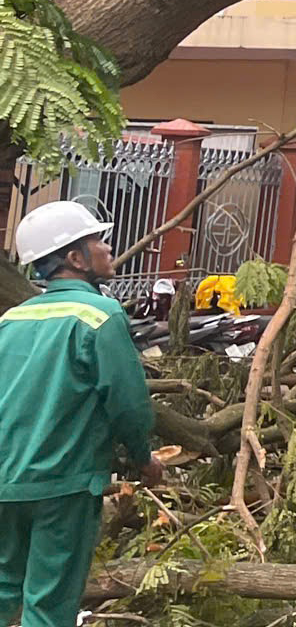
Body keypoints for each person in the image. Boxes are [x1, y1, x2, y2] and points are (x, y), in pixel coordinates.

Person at [0, 201, 160, 627]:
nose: (108, 249)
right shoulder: (99, 316)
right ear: (75, 259)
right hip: (63, 483)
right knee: (49, 604)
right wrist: (143, 457)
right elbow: (127, 402)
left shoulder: (12, 319)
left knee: (2, 591)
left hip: (6, 482)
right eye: (98, 241)